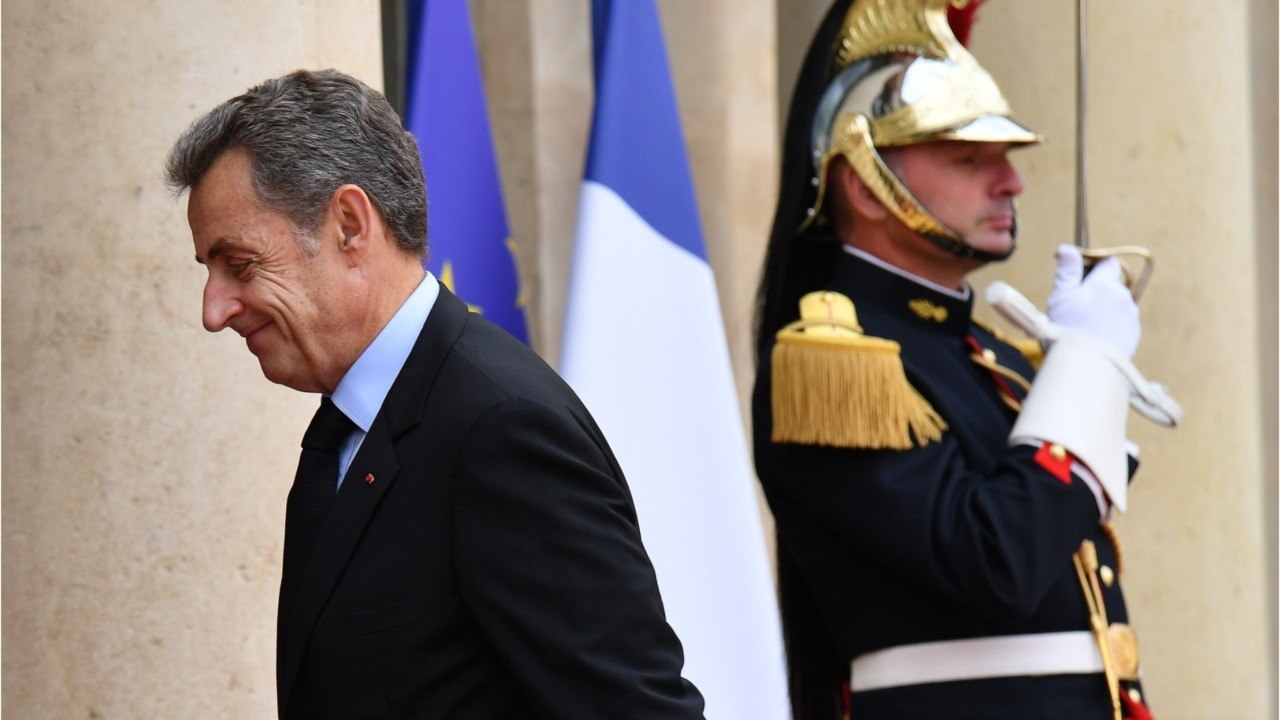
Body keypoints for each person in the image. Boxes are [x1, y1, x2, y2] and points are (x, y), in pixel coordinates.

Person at [166, 69, 705, 720]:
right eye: (210, 272)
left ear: (348, 225)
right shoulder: (348, 429)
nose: (214, 310)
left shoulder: (502, 429)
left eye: (240, 265)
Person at [753, 2, 1156, 719]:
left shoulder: (991, 356)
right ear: (863, 184)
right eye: (970, 159)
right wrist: (1088, 368)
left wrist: (1072, 369)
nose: (1011, 183)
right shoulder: (839, 367)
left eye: (1005, 157)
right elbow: (998, 562)